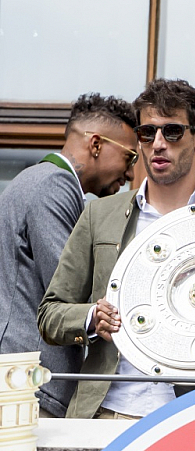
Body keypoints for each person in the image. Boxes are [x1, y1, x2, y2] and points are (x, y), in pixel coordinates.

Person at [38, 79, 195, 419]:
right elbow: (50, 314)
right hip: (108, 410)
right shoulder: (100, 214)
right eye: (147, 133)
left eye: (172, 132)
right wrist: (90, 317)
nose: (158, 144)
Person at [0, 93, 136, 417]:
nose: (131, 174)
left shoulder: (34, 180)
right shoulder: (55, 184)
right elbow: (65, 290)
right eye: (130, 158)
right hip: (27, 385)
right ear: (97, 145)